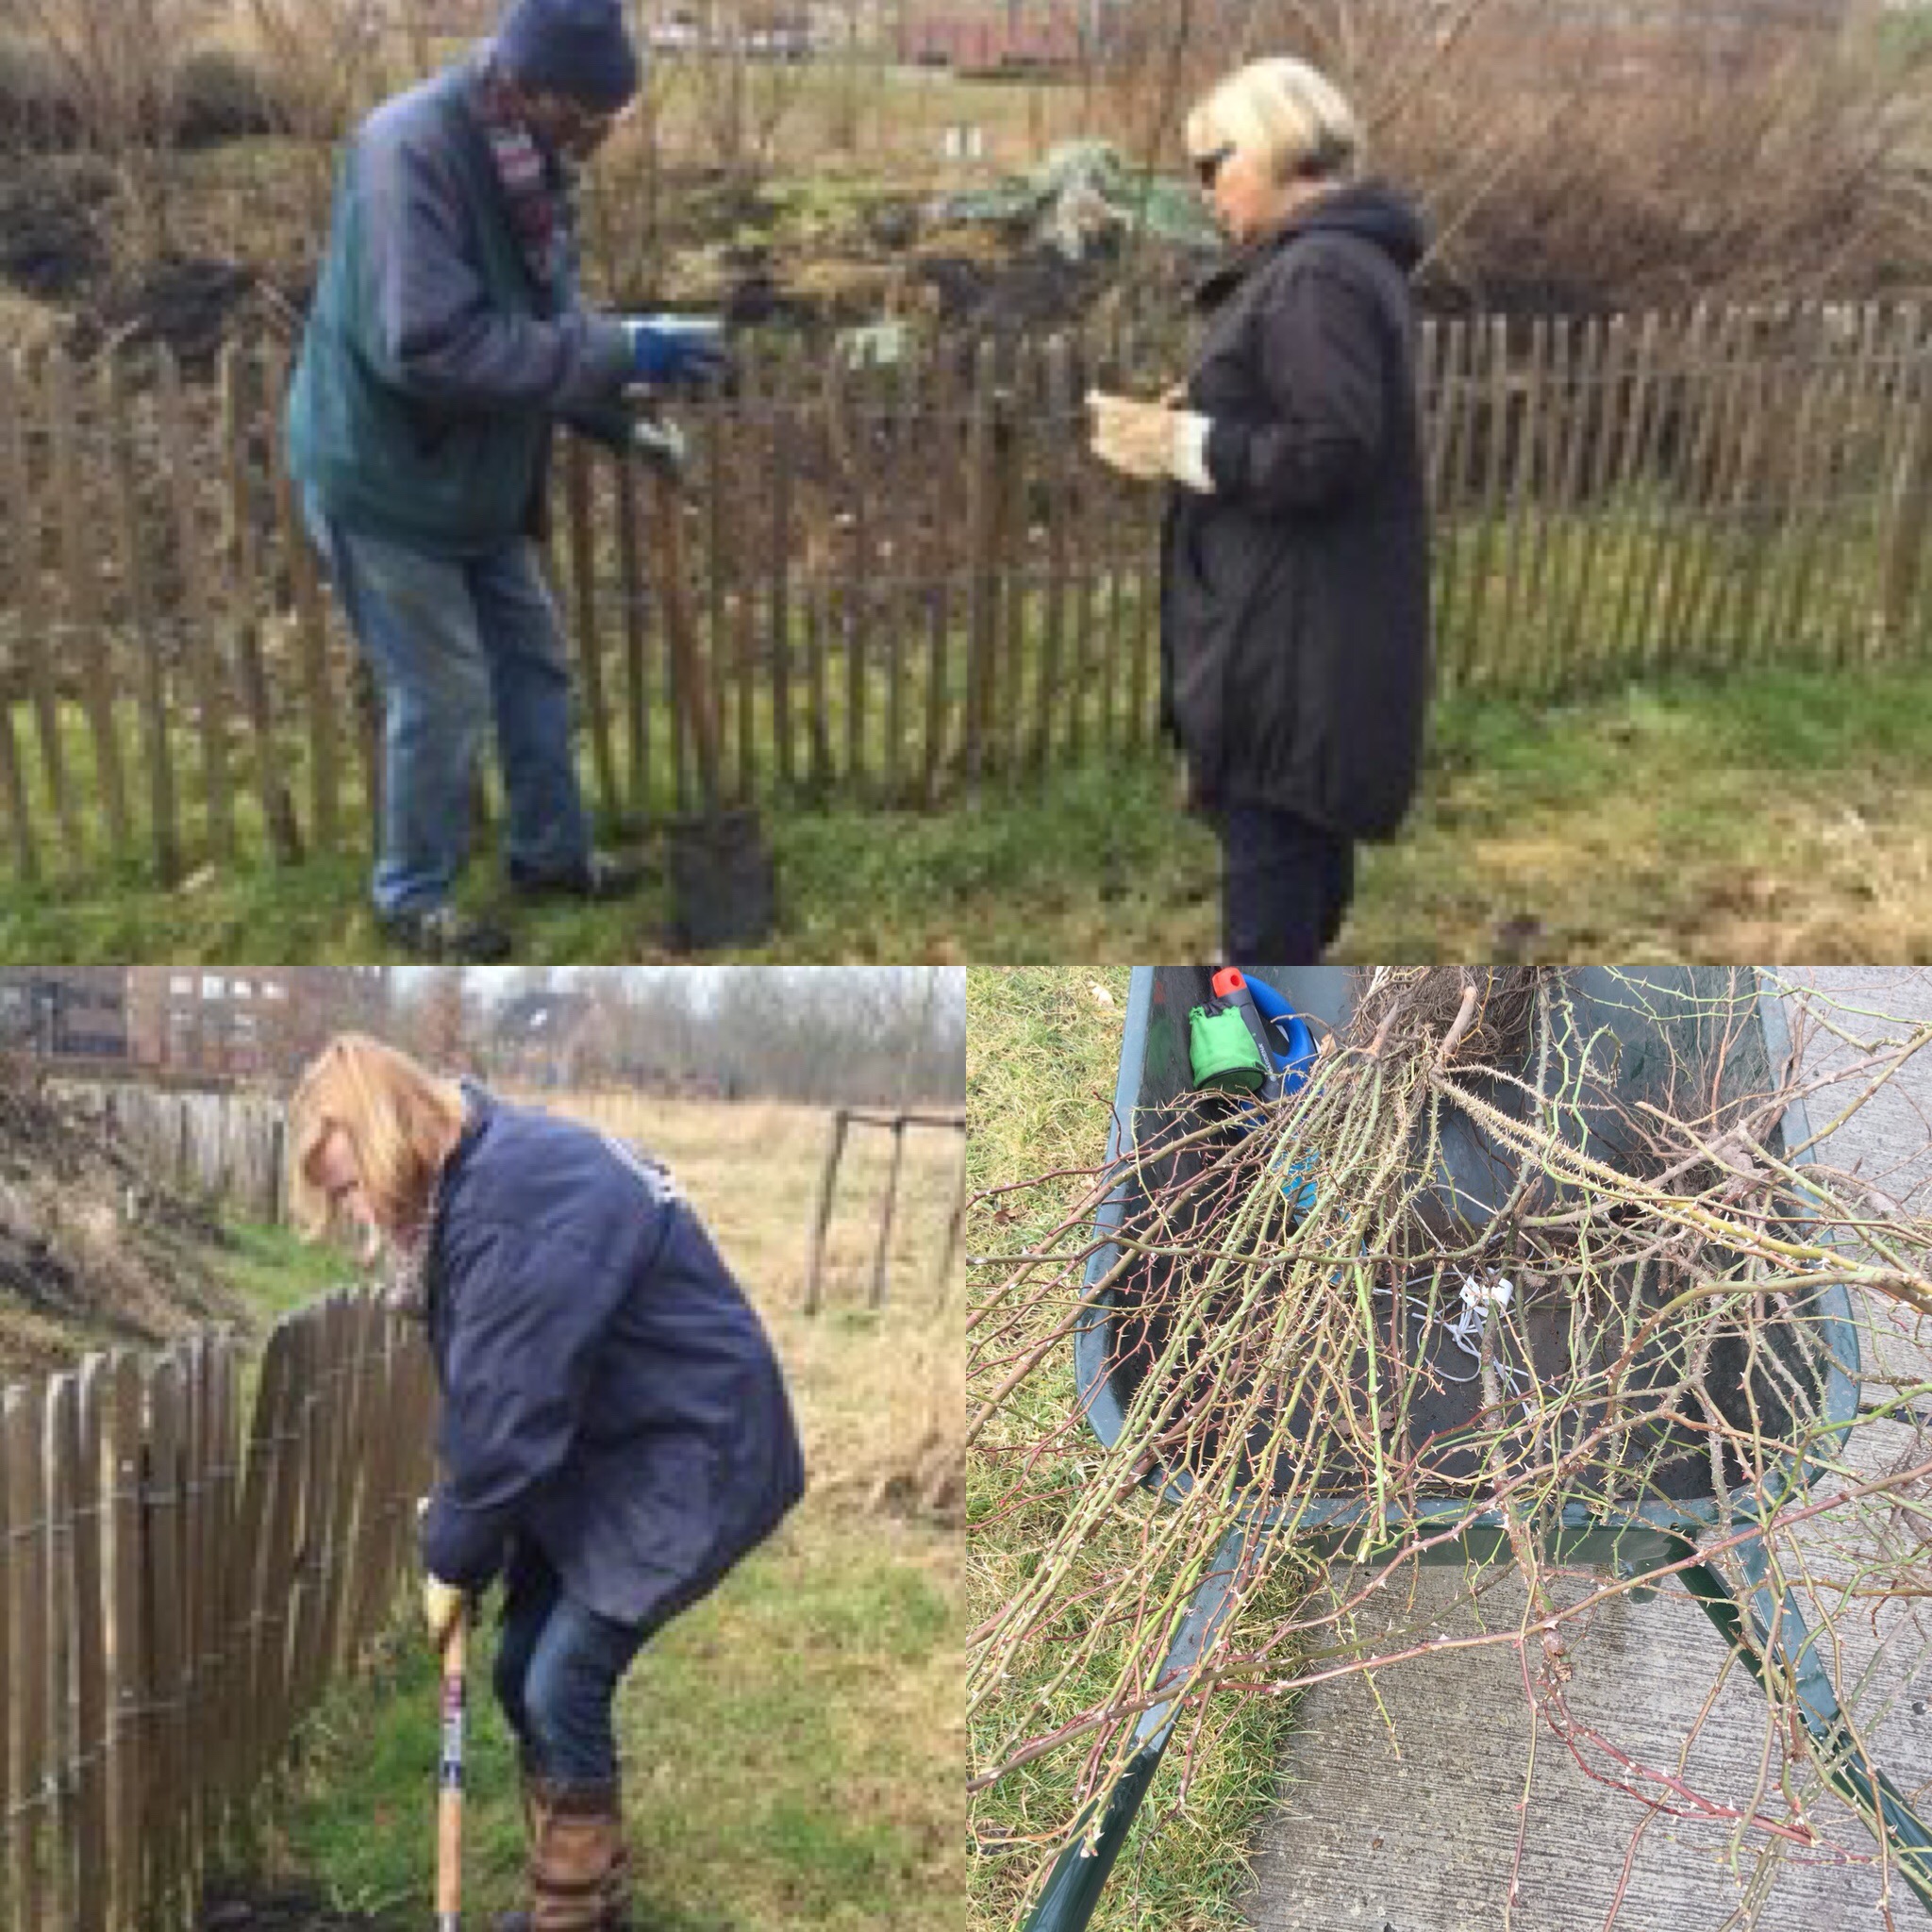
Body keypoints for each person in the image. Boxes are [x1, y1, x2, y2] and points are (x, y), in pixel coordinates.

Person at [289, 1034, 807, 1932]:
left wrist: (451, 1559)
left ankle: (569, 1917)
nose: (358, 1215)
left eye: (349, 1187)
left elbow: (505, 1428)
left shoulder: (509, 1212)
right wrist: (464, 1539)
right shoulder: (482, 1174)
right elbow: (507, 1402)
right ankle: (588, 1889)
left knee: (560, 1679)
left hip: (694, 1449)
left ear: (386, 1141)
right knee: (522, 1667)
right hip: (621, 1441)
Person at [287, 0, 730, 963]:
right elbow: (432, 346)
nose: (601, 142)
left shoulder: (531, 164)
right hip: (389, 480)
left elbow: (543, 325)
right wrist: (617, 349)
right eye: (591, 121)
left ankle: (550, 857)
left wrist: (622, 414)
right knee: (443, 693)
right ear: (532, 91)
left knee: (535, 665)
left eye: (615, 121)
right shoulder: (411, 152)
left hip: (479, 483)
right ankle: (414, 895)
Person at [1086, 56, 1431, 965]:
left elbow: (1329, 450)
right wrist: (1203, 411)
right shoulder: (1334, 266)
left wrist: (1191, 448)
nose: (1205, 191)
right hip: (1302, 648)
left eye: (1214, 164)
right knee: (1289, 923)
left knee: (1261, 947)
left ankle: (1240, 1104)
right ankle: (1283, 1090)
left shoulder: (1315, 276)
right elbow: (1303, 414)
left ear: (1275, 147)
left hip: (1289, 666)